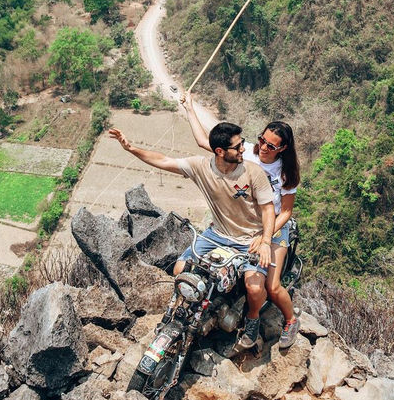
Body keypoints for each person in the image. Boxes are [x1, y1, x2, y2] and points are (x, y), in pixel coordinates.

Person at [109, 121, 275, 351]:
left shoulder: (253, 173)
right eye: (237, 147)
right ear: (219, 151)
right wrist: (130, 148)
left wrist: (266, 240)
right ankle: (183, 313)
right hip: (217, 234)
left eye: (242, 144)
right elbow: (163, 160)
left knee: (255, 288)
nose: (243, 150)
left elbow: (268, 209)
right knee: (180, 269)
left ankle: (253, 320)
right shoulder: (201, 167)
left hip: (250, 239)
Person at [181, 93, 301, 349]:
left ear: (283, 149)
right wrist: (189, 108)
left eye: (271, 145)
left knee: (271, 284)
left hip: (274, 229)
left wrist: (266, 237)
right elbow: (205, 142)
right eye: (262, 140)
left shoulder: (285, 173)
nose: (264, 147)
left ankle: (286, 320)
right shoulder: (246, 157)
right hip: (243, 225)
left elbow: (286, 212)